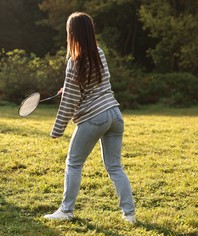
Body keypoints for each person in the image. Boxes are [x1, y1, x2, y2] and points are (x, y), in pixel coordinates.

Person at [44, 12, 136, 223]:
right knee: (115, 167)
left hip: (95, 117)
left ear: (71, 33)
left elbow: (69, 102)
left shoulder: (74, 61)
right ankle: (129, 214)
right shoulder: (99, 53)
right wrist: (67, 88)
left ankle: (66, 211)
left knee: (73, 164)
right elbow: (91, 84)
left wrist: (57, 130)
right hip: (115, 114)